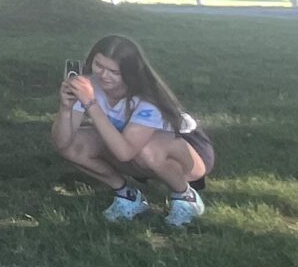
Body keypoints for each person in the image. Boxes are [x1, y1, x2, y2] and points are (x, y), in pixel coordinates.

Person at [52, 34, 212, 229]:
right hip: (131, 146)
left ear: (129, 73)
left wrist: (91, 104)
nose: (103, 75)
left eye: (113, 71)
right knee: (73, 146)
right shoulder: (88, 85)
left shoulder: (147, 99)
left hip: (188, 151)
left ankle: (186, 196)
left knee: (148, 150)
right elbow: (61, 143)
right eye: (98, 65)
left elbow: (124, 153)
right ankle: (127, 196)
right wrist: (66, 108)